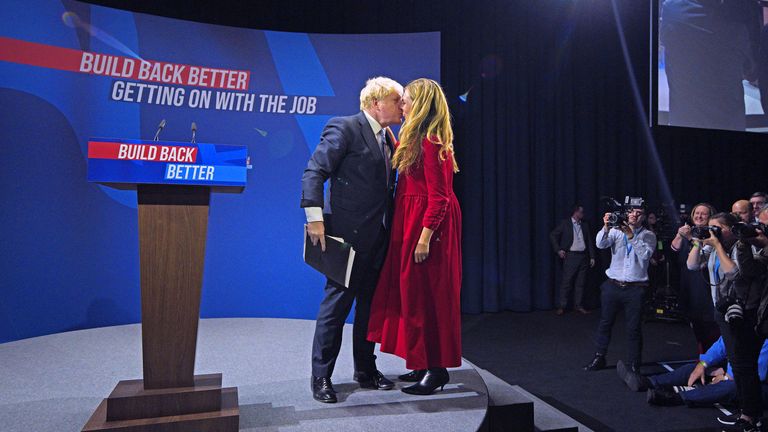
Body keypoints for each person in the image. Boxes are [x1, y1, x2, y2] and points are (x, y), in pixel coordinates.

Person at [300, 77, 403, 403]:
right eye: (397, 101)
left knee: (370, 308)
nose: (402, 107)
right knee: (336, 307)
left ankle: (365, 369)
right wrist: (315, 219)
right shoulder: (344, 127)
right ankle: (321, 377)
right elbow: (314, 172)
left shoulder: (389, 137)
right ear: (377, 103)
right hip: (347, 238)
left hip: (378, 239)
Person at [367, 78, 462, 396]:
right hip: (411, 224)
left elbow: (440, 198)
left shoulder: (431, 141)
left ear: (420, 104)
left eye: (406, 99)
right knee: (412, 295)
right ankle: (422, 363)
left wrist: (424, 238)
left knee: (428, 298)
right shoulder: (414, 137)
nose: (401, 104)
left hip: (427, 230)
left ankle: (437, 370)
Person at [584, 205, 656, 372]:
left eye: (639, 213)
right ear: (626, 214)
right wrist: (606, 226)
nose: (634, 215)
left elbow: (645, 255)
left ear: (644, 217)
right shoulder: (616, 231)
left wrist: (631, 236)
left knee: (633, 328)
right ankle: (599, 357)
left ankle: (633, 364)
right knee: (605, 323)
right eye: (631, 212)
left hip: (635, 288)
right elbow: (600, 244)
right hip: (613, 285)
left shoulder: (648, 235)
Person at [616, 336, 768, 409]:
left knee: (733, 387)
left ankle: (676, 398)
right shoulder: (744, 319)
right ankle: (648, 382)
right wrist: (703, 364)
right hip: (742, 371)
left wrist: (727, 376)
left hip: (759, 383)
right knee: (694, 368)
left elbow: (758, 370)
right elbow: (723, 344)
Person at [671, 203, 720, 353]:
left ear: (710, 216)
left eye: (703, 214)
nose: (699, 216)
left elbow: (701, 258)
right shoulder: (687, 231)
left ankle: (715, 362)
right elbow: (673, 250)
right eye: (696, 213)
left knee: (710, 329)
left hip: (704, 286)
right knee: (696, 326)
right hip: (688, 284)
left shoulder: (712, 234)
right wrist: (680, 235)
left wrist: (691, 238)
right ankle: (703, 359)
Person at [549, 204, 596, 315]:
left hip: (583, 256)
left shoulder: (584, 225)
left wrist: (592, 256)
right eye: (581, 212)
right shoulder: (565, 223)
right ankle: (562, 306)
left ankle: (578, 305)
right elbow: (553, 235)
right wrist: (558, 250)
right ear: (576, 212)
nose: (583, 214)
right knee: (567, 282)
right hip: (571, 256)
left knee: (581, 283)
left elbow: (589, 241)